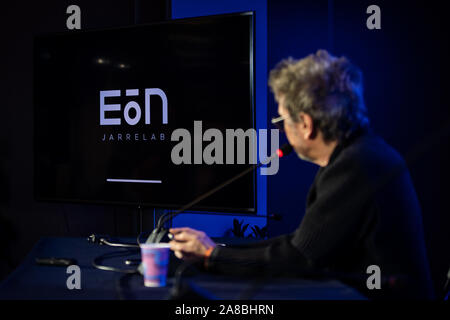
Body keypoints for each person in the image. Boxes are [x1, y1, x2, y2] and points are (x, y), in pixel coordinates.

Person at [168, 50, 434, 299]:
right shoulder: (359, 154)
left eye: (282, 119)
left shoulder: (357, 165)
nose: (282, 129)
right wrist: (217, 250)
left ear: (306, 124)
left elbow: (300, 257)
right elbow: (302, 244)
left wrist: (212, 256)